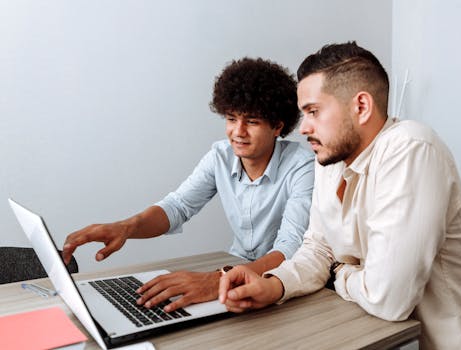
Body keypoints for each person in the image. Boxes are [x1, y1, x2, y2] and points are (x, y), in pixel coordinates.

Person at [218, 42, 461, 349]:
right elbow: (318, 249)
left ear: (361, 107)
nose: (303, 128)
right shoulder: (329, 159)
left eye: (313, 112)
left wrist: (340, 272)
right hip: (367, 335)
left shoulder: (412, 148)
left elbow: (389, 300)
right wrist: (275, 285)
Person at [62, 57, 314, 313]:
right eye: (231, 119)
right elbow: (178, 206)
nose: (238, 132)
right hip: (234, 269)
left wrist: (217, 279)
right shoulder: (220, 156)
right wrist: (126, 227)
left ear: (277, 126)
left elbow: (289, 248)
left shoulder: (303, 166)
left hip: (281, 283)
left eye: (251, 122)